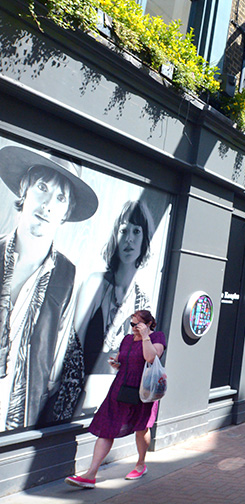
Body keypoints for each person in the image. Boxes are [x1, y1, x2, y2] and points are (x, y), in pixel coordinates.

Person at [0, 145, 98, 431]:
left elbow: (56, 353)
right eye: (42, 187)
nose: (48, 205)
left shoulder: (66, 274)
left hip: (22, 407)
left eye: (60, 198)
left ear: (65, 212)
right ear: (24, 189)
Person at [61, 201, 153, 417]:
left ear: (144, 239)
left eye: (136, 231)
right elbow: (74, 350)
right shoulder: (96, 284)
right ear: (115, 236)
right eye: (123, 230)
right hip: (80, 404)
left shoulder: (142, 301)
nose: (129, 238)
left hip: (119, 403)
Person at [65, 310, 165, 488]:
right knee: (107, 427)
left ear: (148, 324)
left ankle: (141, 464)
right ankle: (90, 474)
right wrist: (116, 363)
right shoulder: (127, 339)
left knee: (141, 427)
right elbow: (122, 359)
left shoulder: (157, 337)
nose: (133, 328)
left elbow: (150, 357)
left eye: (137, 324)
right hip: (120, 389)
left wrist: (145, 337)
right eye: (132, 324)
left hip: (143, 390)